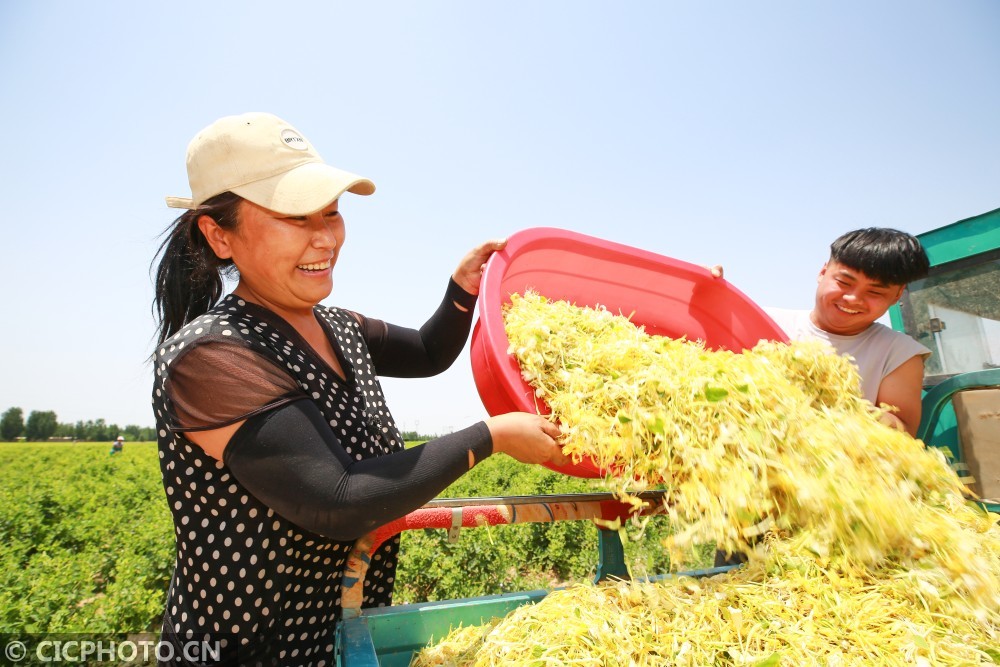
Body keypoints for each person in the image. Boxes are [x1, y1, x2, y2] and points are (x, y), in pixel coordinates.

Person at [151, 112, 566, 665]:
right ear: (219, 235)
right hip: (251, 649)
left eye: (331, 212)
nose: (325, 237)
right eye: (293, 217)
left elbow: (425, 351)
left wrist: (462, 288)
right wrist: (492, 437)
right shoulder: (215, 357)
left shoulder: (336, 326)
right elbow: (338, 501)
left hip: (341, 635)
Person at [712, 227, 931, 567]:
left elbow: (902, 433)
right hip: (753, 501)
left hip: (840, 507)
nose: (854, 299)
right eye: (844, 282)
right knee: (739, 588)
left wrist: (836, 405)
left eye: (876, 291)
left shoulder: (898, 352)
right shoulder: (768, 324)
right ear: (822, 271)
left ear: (898, 295)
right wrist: (705, 292)